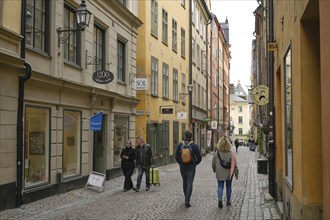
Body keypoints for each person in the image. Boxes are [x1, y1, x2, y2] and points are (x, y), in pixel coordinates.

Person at [175, 130, 202, 208]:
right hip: (191, 166)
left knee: (185, 182)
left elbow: (176, 156)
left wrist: (180, 162)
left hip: (183, 166)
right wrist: (195, 163)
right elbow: (199, 157)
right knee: (190, 183)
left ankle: (185, 197)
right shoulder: (194, 145)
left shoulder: (180, 144)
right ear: (191, 137)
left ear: (184, 136)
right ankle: (187, 200)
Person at [212, 136, 237, 209]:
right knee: (228, 187)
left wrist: (214, 170)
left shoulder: (217, 153)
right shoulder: (231, 153)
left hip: (220, 172)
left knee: (220, 186)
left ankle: (220, 200)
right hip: (229, 172)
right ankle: (228, 201)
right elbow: (235, 163)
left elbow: (213, 163)